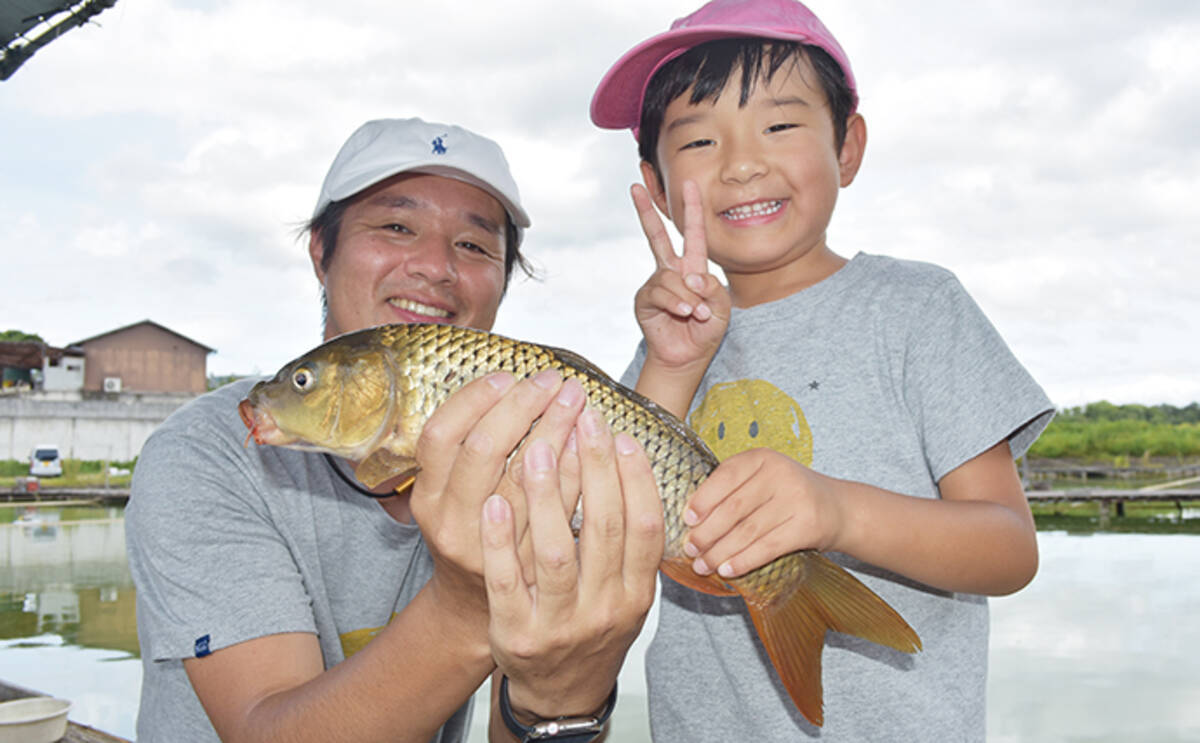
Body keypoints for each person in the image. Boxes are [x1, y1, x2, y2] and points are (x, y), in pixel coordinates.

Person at [590, 0, 1055, 739]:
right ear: (655, 179)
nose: (743, 163)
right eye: (701, 139)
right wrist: (673, 367)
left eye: (779, 124)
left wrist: (836, 511)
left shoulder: (917, 309)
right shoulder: (666, 341)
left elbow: (1008, 546)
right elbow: (613, 516)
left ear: (848, 145)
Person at [126, 117, 664, 743]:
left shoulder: (531, 455)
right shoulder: (202, 459)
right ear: (321, 251)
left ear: (502, 281)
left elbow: (524, 726)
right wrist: (467, 607)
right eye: (396, 227)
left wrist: (561, 699)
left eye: (473, 245)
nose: (436, 266)